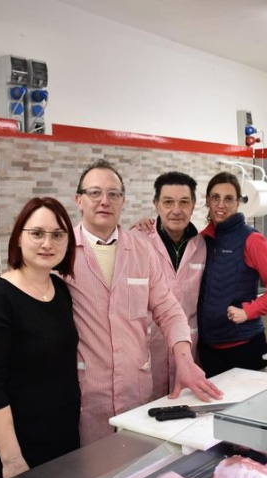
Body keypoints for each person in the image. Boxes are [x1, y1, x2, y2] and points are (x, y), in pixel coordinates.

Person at [66, 160, 223, 444]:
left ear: (123, 201)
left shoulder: (141, 250)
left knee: (138, 466)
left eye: (114, 194)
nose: (105, 201)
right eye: (95, 193)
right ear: (79, 200)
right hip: (86, 393)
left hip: (136, 390)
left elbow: (169, 309)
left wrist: (184, 359)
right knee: (92, 474)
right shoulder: (62, 253)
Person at [0, 197, 79, 478]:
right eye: (37, 233)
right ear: (19, 237)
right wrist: (13, 460)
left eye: (57, 235)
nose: (47, 243)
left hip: (63, 440)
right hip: (18, 450)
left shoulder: (59, 289)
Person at [198, 172, 267, 377]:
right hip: (208, 349)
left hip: (244, 347)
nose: (221, 204)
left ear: (238, 203)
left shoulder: (251, 240)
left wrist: (248, 312)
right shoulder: (202, 240)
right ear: (207, 201)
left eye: (228, 199)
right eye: (215, 197)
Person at [131, 171, 207, 398]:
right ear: (156, 205)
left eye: (184, 202)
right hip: (148, 349)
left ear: (193, 206)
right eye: (168, 202)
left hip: (188, 348)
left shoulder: (202, 244)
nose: (176, 210)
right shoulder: (136, 240)